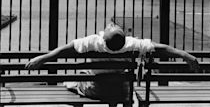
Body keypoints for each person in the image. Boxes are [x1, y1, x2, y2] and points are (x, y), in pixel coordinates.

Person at [25, 23, 199, 107]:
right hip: (121, 91)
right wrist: (185, 55)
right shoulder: (131, 44)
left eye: (111, 26)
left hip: (96, 91)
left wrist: (42, 58)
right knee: (116, 79)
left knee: (74, 80)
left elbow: (65, 50)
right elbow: (160, 48)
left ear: (103, 37)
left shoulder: (93, 42)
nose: (111, 25)